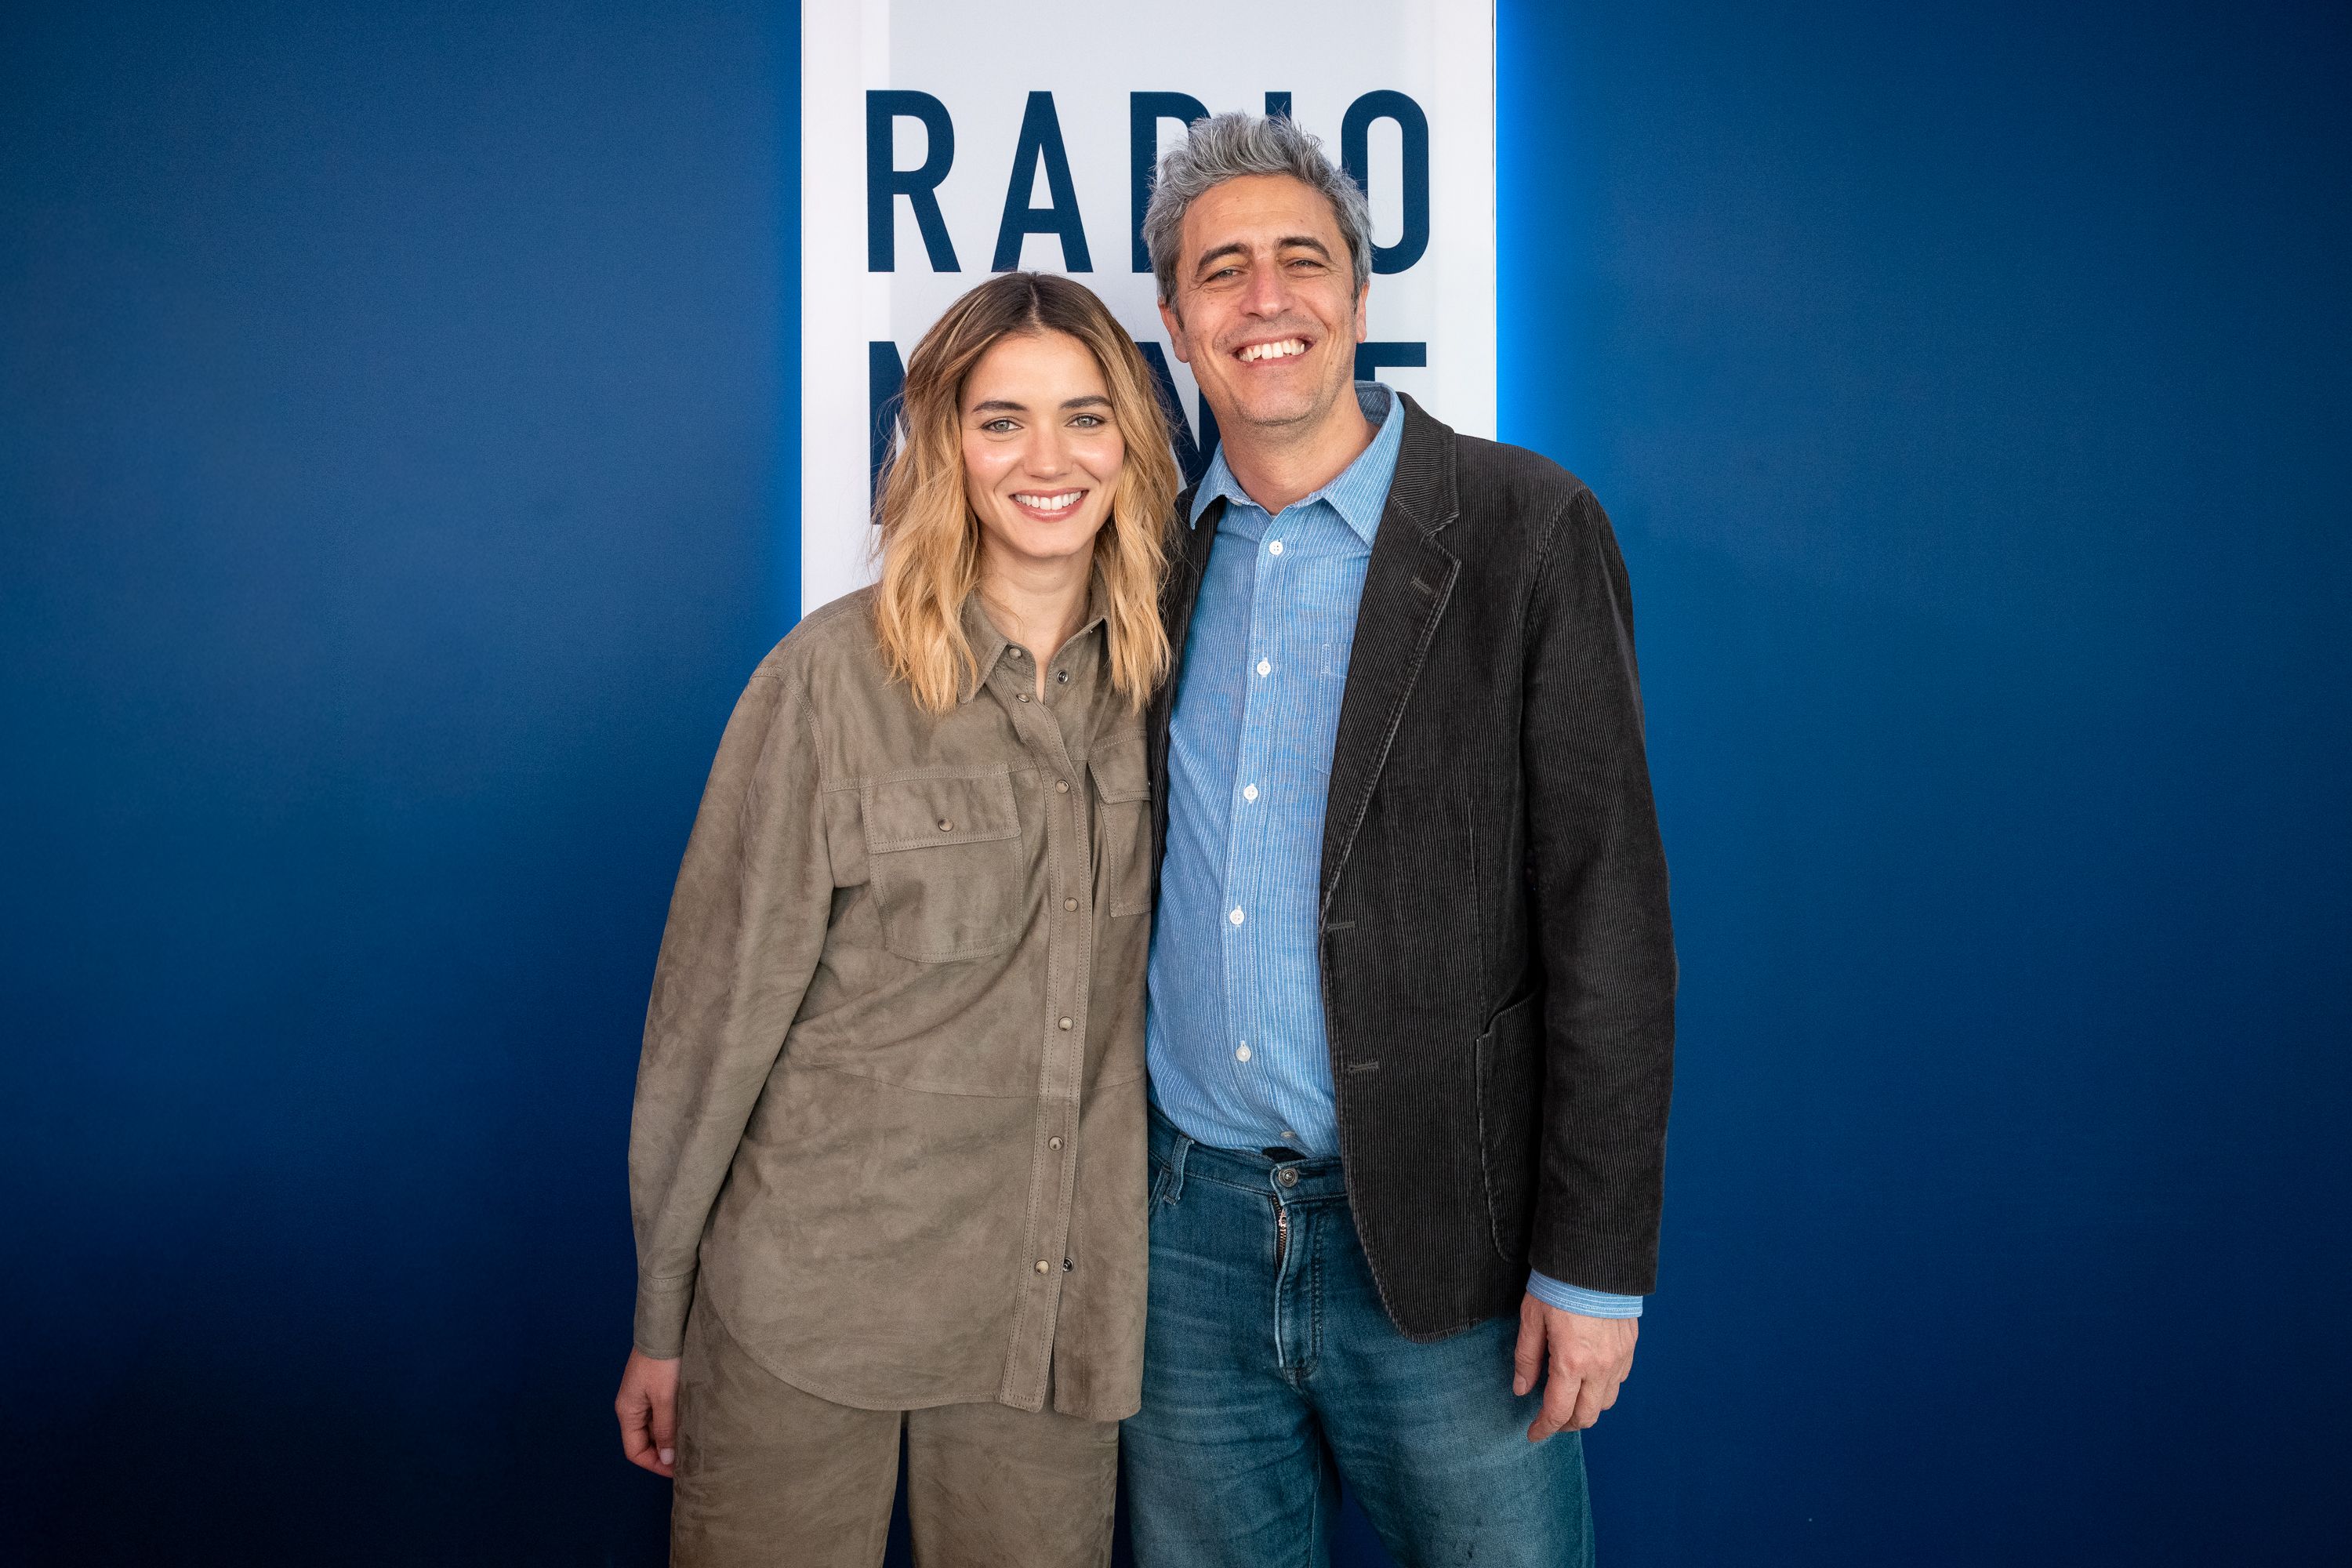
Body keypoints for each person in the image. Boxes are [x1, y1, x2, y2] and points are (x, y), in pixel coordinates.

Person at [1122, 113, 1679, 1566]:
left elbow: (1610, 919)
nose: (1266, 298)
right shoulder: (1149, 556)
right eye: (1222, 271)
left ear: (1359, 298)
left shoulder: (1525, 528)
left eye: (1302, 260)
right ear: (1175, 323)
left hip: (1449, 1247)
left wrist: (1594, 1266)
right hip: (1183, 1248)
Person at [612, 271, 1179, 1568]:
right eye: (1002, 421)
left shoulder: (1171, 681)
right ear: (943, 447)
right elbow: (711, 1024)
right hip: (813, 1309)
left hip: (1049, 1326)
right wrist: (661, 1315)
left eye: (1086, 417)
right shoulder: (828, 680)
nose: (1049, 460)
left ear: (1131, 443)